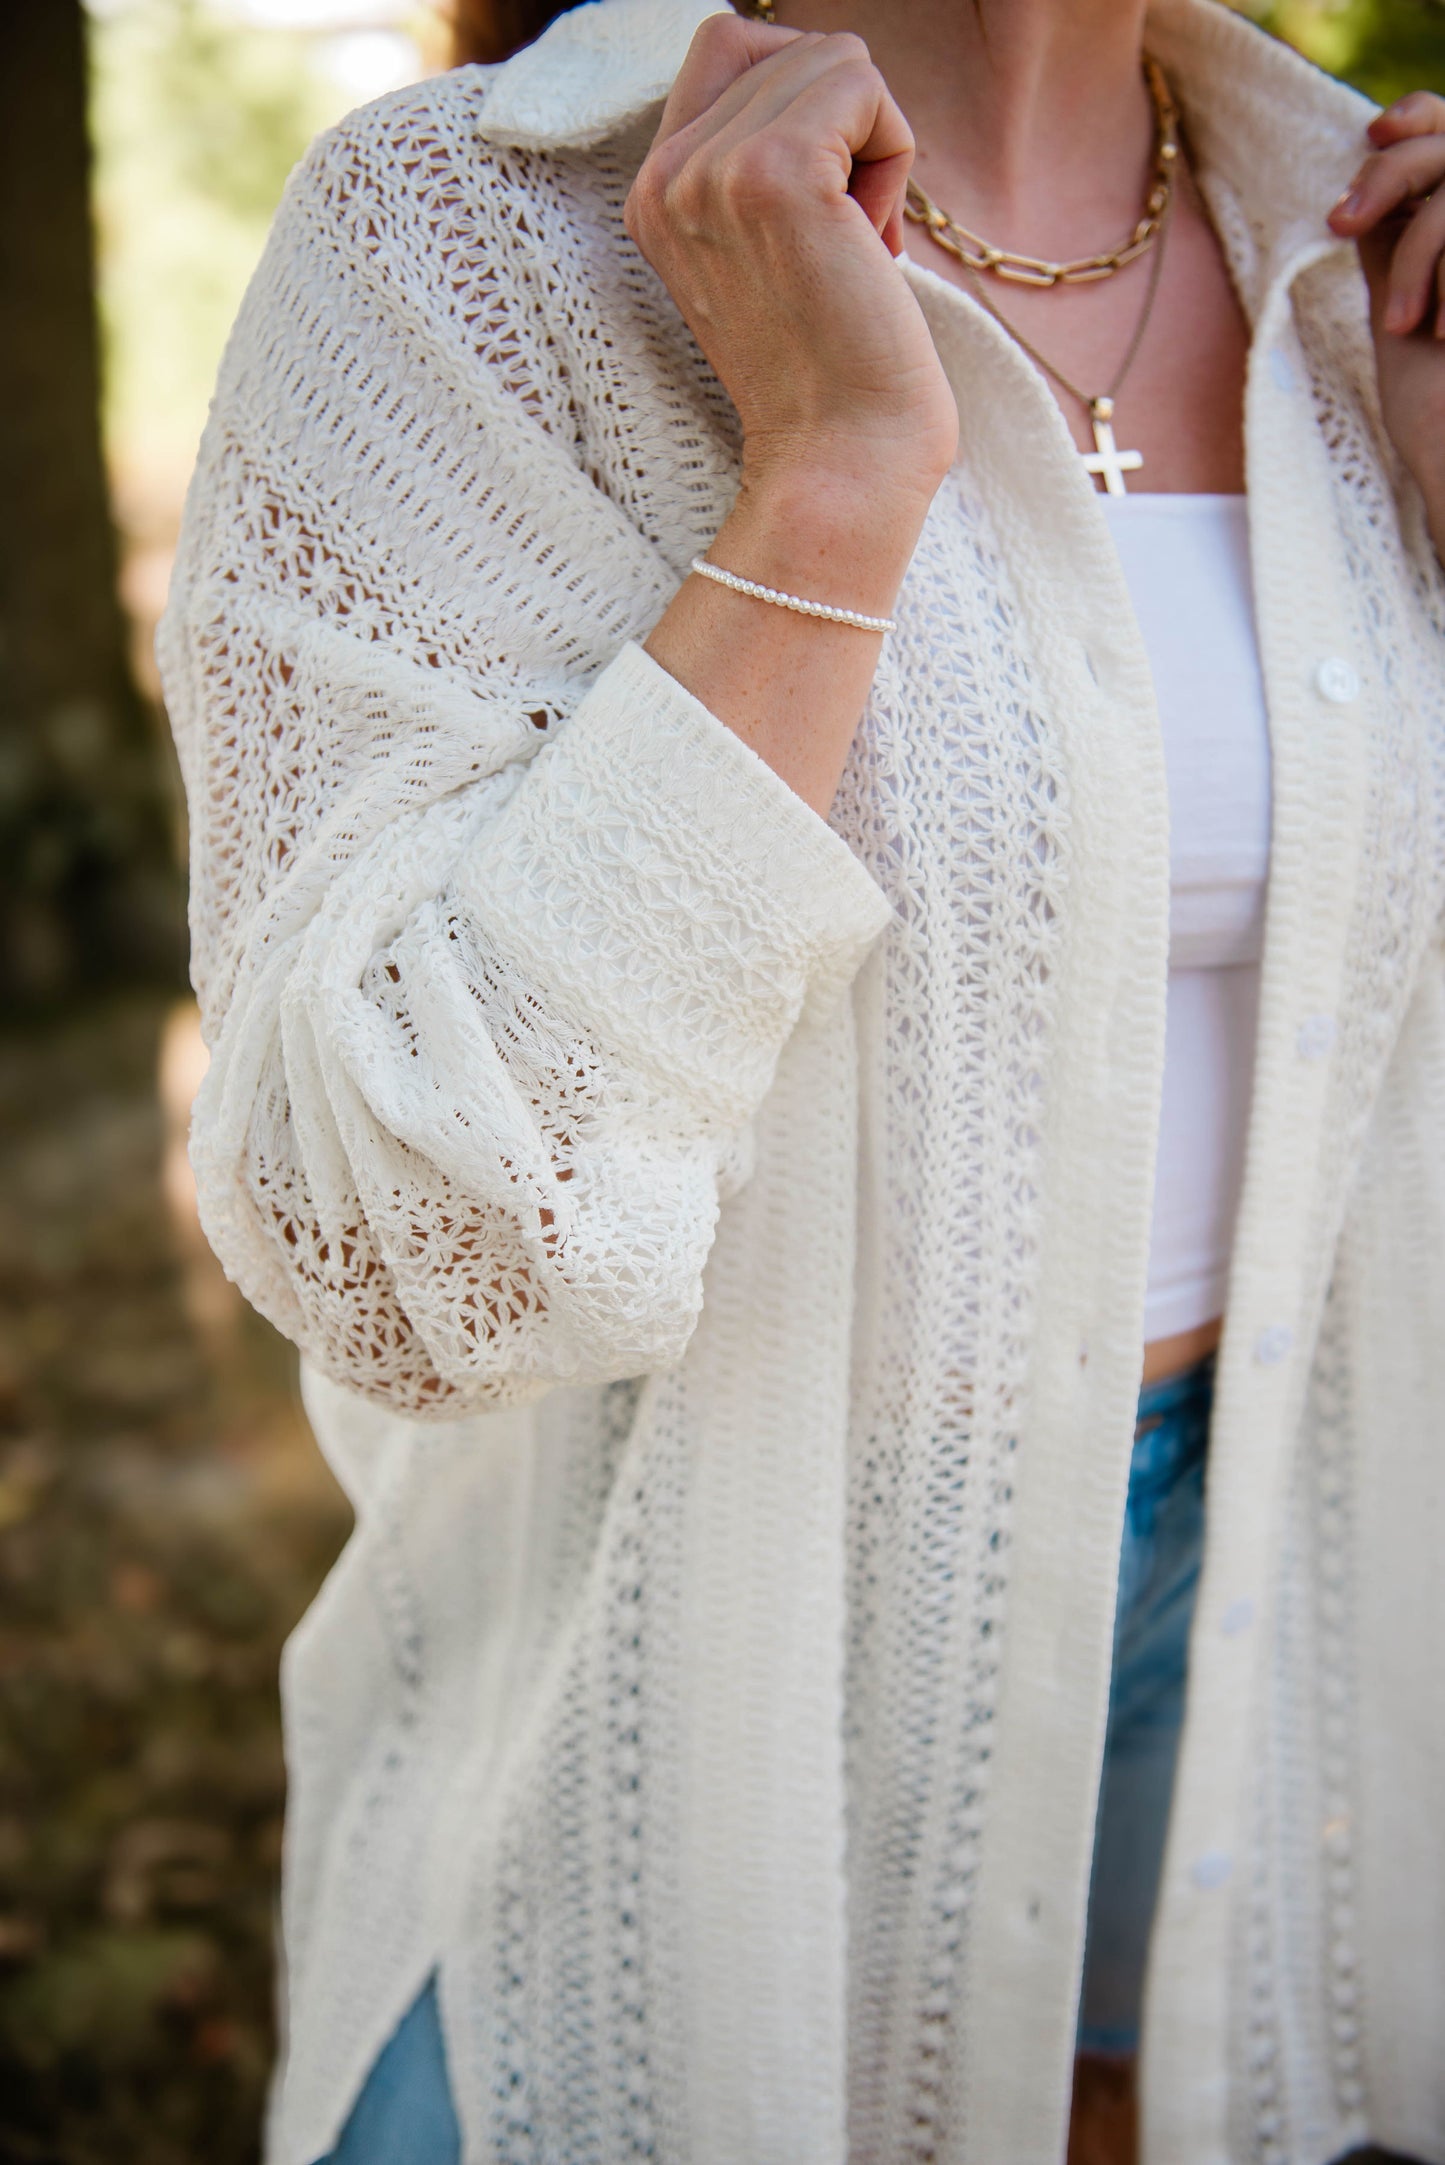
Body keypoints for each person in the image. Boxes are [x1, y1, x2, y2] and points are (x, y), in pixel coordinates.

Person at [156, 0, 1445, 2157]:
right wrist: (832, 481)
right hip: (683, 1667)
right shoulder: (459, 242)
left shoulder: (1359, 254)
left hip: (1284, 1620)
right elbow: (409, 1260)